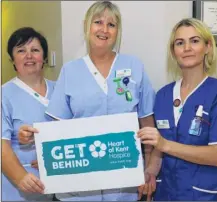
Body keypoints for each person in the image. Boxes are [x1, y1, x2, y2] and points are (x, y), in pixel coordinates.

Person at [44, 1, 155, 201]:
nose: (104, 29)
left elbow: (148, 125)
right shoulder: (70, 71)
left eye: (111, 25)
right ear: (87, 25)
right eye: (98, 22)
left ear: (117, 30)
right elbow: (57, 130)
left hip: (125, 181)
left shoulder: (134, 66)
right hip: (81, 183)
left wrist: (149, 170)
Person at [138, 18, 217, 201]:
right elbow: (158, 150)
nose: (187, 48)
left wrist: (165, 144)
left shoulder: (214, 93)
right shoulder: (163, 95)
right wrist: (150, 171)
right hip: (166, 193)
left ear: (207, 47)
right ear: (174, 52)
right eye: (180, 43)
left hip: (203, 195)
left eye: (194, 41)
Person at [2, 27, 55, 201]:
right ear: (13, 59)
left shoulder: (60, 90)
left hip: (58, 185)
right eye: (21, 51)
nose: (29, 56)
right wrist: (21, 177)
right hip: (17, 188)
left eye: (35, 50)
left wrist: (51, 160)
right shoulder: (4, 95)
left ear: (44, 58)